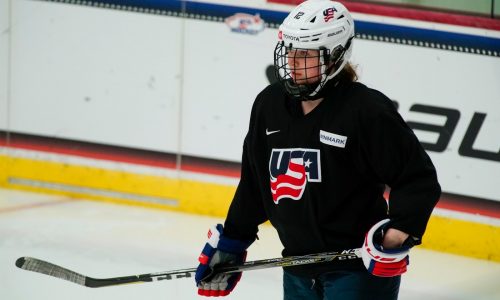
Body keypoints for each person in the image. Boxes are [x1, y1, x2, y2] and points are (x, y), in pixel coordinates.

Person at [195, 0, 441, 299]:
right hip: (296, 267)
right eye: (290, 51)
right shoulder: (269, 105)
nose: (293, 62)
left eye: (306, 54)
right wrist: (233, 239)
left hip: (356, 271)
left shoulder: (366, 111)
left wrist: (399, 232)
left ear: (336, 56)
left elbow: (416, 177)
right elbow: (255, 183)